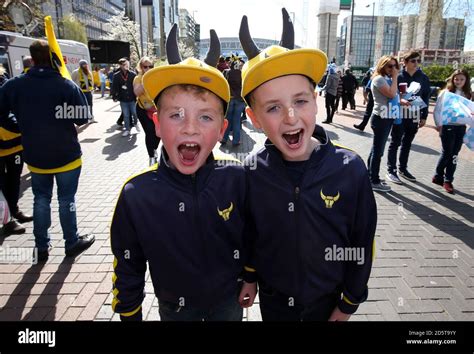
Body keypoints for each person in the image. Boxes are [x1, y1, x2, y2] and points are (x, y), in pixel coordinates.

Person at [239, 9, 377, 321]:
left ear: (315, 101)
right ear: (255, 119)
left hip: (327, 303)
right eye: (273, 107)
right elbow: (250, 233)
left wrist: (349, 302)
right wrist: (249, 275)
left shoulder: (350, 169)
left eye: (300, 101)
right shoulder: (252, 170)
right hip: (274, 302)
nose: (290, 117)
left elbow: (362, 241)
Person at [111, 25, 254, 321]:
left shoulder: (237, 179)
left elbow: (251, 234)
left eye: (205, 116)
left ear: (221, 130)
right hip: (174, 308)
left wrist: (250, 276)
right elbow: (128, 263)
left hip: (229, 302)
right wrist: (129, 312)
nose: (190, 127)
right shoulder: (137, 194)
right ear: (157, 124)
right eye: (176, 115)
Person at [0, 40, 95, 261]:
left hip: (36, 155)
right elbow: (82, 116)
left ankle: (41, 247)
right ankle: (71, 242)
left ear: (31, 59)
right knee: (66, 199)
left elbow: (2, 112)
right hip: (66, 154)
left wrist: (19, 126)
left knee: (40, 199)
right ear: (54, 58)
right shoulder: (65, 84)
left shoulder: (15, 85)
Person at [386, 51, 431, 184]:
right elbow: (391, 95)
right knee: (395, 142)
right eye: (413, 61)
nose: (416, 63)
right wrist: (399, 101)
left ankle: (403, 169)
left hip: (415, 114)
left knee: (407, 143)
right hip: (399, 115)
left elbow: (426, 97)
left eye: (418, 61)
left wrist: (424, 116)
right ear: (405, 62)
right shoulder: (398, 76)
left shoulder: (423, 78)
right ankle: (391, 169)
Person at [0, 64, 33, 235]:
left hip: (13, 144)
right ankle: (7, 220)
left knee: (13, 181)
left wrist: (19, 125)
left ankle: (14, 210)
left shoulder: (5, 82)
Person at [432, 69, 472, 194]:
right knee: (447, 152)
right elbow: (437, 110)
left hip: (461, 127)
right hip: (447, 126)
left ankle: (448, 180)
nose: (458, 81)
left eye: (462, 79)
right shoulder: (445, 93)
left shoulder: (468, 94)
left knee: (454, 154)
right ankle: (438, 175)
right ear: (452, 79)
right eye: (456, 79)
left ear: (466, 80)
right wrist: (439, 125)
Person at [367, 55, 400, 192]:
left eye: (395, 66)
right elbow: (392, 94)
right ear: (382, 65)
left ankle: (370, 176)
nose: (393, 69)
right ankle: (373, 180)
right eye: (390, 66)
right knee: (378, 151)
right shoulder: (379, 79)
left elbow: (394, 95)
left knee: (376, 149)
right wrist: (396, 76)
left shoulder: (386, 78)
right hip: (381, 118)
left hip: (386, 117)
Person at [133, 57, 160, 165]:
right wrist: (145, 81)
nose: (148, 68)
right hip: (143, 110)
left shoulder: (157, 77)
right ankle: (151, 156)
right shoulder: (138, 78)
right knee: (149, 132)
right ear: (141, 67)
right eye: (145, 66)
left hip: (156, 109)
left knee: (158, 133)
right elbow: (136, 92)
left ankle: (154, 149)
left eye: (150, 66)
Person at [221, 54, 245, 146]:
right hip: (239, 99)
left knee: (227, 119)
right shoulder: (242, 73)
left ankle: (224, 137)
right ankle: (236, 140)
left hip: (229, 98)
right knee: (236, 120)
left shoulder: (226, 72)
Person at [111, 58, 139, 137]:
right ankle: (127, 129)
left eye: (127, 64)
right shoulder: (116, 75)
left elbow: (136, 85)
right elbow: (114, 87)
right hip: (123, 99)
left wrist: (138, 95)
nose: (125, 66)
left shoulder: (133, 74)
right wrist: (114, 96)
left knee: (134, 113)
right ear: (120, 66)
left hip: (132, 98)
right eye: (123, 65)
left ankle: (136, 124)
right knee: (126, 115)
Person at [71, 59, 97, 123]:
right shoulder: (76, 72)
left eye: (86, 64)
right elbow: (72, 81)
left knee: (90, 105)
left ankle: (91, 118)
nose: (85, 66)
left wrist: (92, 88)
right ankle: (83, 119)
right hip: (81, 92)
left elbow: (92, 81)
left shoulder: (89, 72)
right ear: (80, 65)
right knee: (82, 106)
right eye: (84, 64)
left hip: (89, 92)